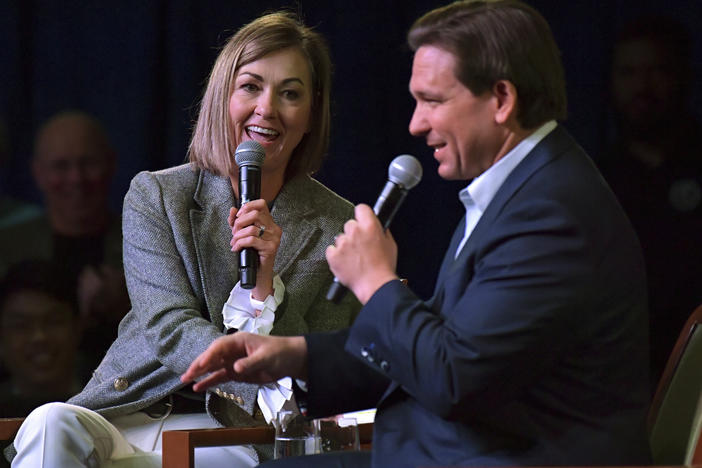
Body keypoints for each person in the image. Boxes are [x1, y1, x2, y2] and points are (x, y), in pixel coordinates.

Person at [181, 1, 652, 467]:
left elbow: (452, 378)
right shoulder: (523, 189)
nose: (416, 124)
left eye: (433, 101)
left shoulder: (551, 212)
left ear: (502, 100)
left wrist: (376, 282)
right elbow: (443, 345)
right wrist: (293, 355)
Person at [6, 11, 359, 468]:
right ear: (222, 97)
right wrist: (252, 371)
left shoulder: (338, 225)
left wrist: (266, 289)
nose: (267, 108)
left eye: (290, 93)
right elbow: (168, 325)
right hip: (127, 410)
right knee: (49, 423)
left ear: (311, 113)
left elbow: (320, 364)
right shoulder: (158, 194)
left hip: (235, 433)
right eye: (250, 86)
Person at [598, 15, 702, 387]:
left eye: (658, 71)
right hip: (620, 379)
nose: (643, 87)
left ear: (684, 76)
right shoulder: (591, 179)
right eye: (629, 73)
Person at [0, 110, 129, 369]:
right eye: (61, 166)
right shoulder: (6, 247)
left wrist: (130, 304)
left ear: (111, 165)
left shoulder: (147, 242)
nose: (76, 179)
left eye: (88, 163)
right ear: (38, 173)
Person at [0, 260, 89, 418]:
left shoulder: (112, 403)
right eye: (21, 325)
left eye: (53, 321)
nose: (39, 337)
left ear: (78, 326)